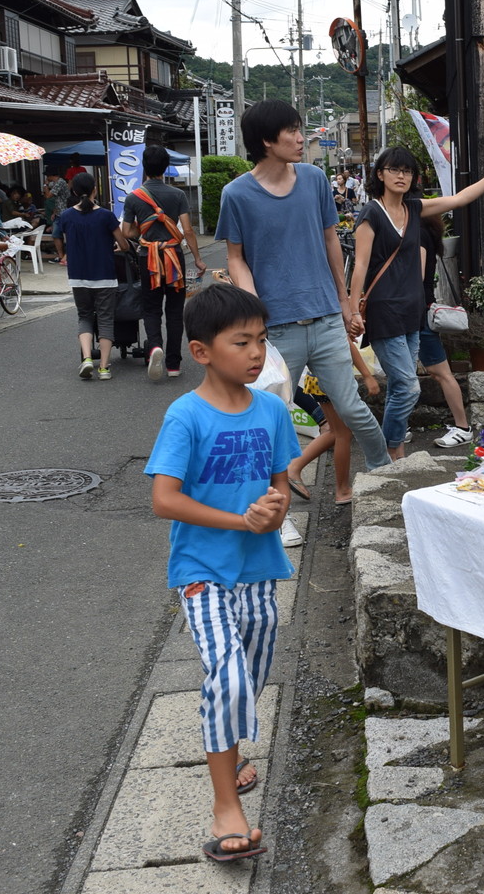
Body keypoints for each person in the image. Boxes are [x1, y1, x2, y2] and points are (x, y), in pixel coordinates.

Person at [144, 282, 294, 865]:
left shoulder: (273, 410)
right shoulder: (186, 415)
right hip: (203, 570)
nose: (257, 353)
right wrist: (239, 519)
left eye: (262, 340)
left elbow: (280, 482)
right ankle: (225, 805)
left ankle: (228, 752)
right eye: (242, 342)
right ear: (203, 352)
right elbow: (164, 499)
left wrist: (276, 506)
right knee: (228, 677)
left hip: (260, 571)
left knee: (248, 677)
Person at [218, 99, 390, 472]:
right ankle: (273, 514)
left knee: (352, 408)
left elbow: (331, 241)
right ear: (266, 141)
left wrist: (346, 304)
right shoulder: (236, 194)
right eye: (293, 131)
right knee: (269, 417)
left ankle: (387, 473)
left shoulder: (313, 179)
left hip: (326, 317)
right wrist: (254, 311)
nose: (301, 138)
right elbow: (236, 258)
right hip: (276, 327)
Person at [349, 146, 484, 459]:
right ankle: (386, 452)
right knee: (408, 385)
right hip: (384, 311)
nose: (401, 176)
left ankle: (395, 453)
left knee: (402, 387)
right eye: (394, 170)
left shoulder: (414, 209)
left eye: (407, 171)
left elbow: (459, 199)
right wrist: (352, 310)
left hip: (414, 311)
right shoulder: (371, 214)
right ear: (380, 174)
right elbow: (360, 266)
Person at [123, 145, 208, 381]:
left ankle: (154, 348)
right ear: (165, 167)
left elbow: (127, 231)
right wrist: (198, 259)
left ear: (144, 166)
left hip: (147, 258)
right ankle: (173, 364)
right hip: (173, 258)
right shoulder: (178, 195)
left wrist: (145, 230)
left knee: (151, 308)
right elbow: (188, 230)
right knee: (173, 310)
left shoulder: (134, 197)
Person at [287, 339, 381, 504]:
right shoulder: (333, 319)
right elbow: (347, 343)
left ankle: (294, 467)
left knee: (333, 432)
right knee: (343, 434)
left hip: (316, 379)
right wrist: (367, 375)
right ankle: (343, 490)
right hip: (331, 379)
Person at [58, 172, 130, 380]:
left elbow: (65, 241)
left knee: (85, 316)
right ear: (94, 190)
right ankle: (105, 368)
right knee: (106, 319)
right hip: (105, 276)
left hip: (78, 276)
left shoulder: (66, 216)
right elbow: (124, 244)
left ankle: (88, 358)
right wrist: (115, 247)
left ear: (73, 191)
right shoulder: (106, 216)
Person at [418, 217, 474, 447]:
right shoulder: (427, 232)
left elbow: (417, 275)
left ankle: (463, 427)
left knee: (440, 372)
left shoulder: (418, 234)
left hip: (417, 314)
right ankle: (462, 427)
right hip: (421, 311)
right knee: (436, 373)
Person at [43, 172, 70, 263]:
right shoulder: (57, 183)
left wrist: (45, 185)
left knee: (65, 235)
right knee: (56, 234)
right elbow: (58, 200)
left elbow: (48, 196)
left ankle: (66, 256)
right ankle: (61, 256)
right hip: (59, 212)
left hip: (64, 213)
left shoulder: (60, 182)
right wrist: (54, 211)